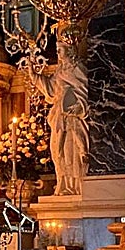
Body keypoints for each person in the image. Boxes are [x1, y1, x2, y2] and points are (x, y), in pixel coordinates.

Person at [28, 41, 89, 195]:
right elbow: (51, 89)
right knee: (57, 151)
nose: (58, 54)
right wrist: (34, 75)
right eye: (57, 50)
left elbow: (85, 90)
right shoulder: (60, 71)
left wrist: (78, 106)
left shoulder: (77, 68)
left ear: (70, 51)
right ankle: (63, 183)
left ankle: (75, 186)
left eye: (60, 50)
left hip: (71, 116)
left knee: (71, 152)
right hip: (58, 116)